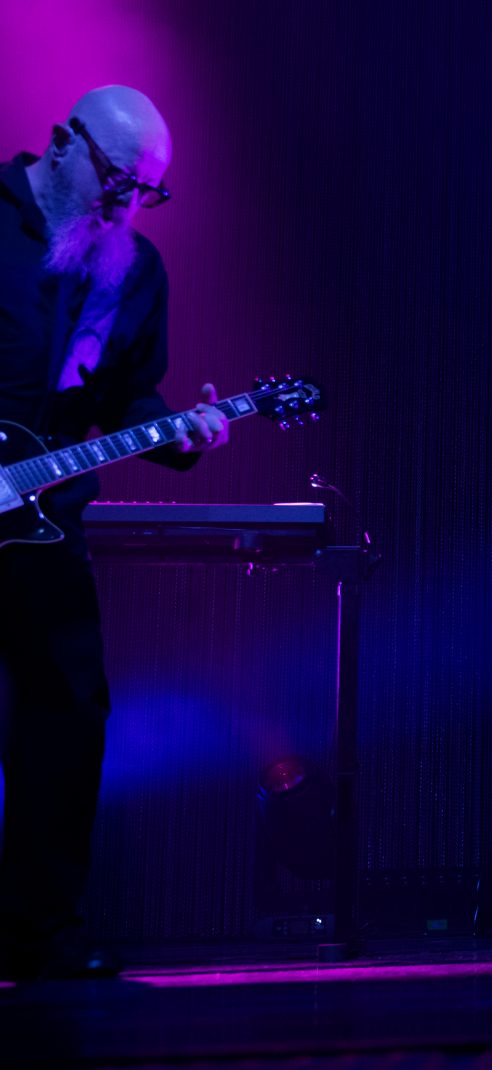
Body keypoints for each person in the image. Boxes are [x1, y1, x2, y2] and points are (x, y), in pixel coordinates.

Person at [0, 86, 228, 981]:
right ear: (63, 143)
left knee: (68, 716)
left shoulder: (134, 270)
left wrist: (182, 433)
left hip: (45, 528)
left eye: (146, 191)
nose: (127, 203)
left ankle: (41, 933)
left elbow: (130, 396)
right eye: (118, 179)